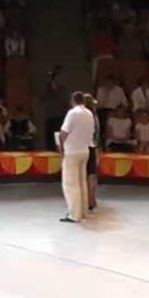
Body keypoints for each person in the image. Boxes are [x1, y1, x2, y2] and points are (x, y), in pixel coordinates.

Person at [57, 92, 94, 224]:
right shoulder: (89, 113)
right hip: (84, 150)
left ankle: (74, 214)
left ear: (72, 100)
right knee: (82, 182)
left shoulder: (72, 113)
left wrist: (61, 147)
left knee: (71, 184)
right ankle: (83, 211)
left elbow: (63, 133)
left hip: (72, 152)